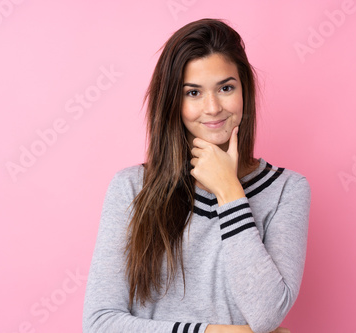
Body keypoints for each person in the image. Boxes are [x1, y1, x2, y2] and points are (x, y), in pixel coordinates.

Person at [82, 18, 311, 333]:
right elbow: (100, 324)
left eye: (226, 88)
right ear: (174, 101)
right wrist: (221, 332)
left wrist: (230, 192)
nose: (213, 107)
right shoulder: (132, 187)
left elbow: (267, 315)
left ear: (244, 89)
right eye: (193, 93)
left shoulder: (287, 190)